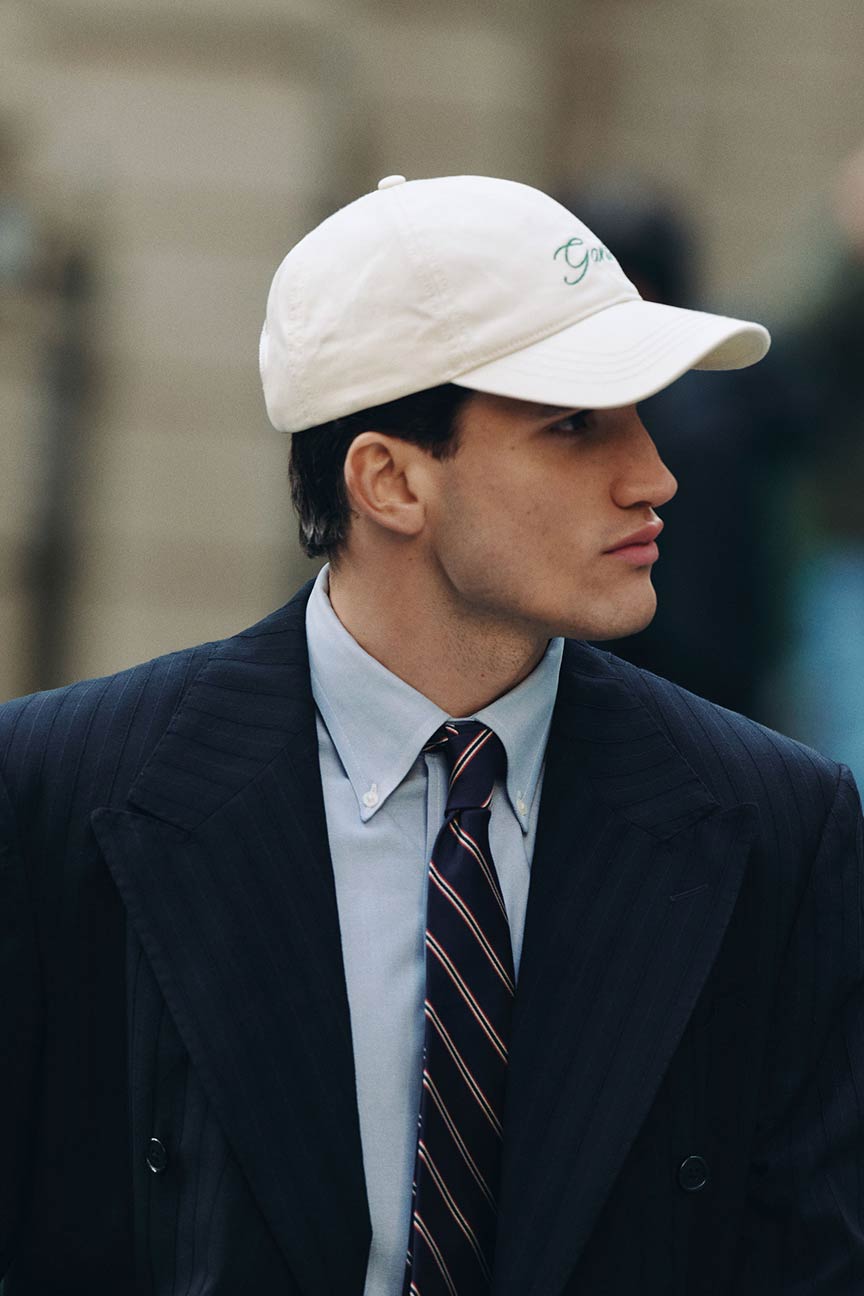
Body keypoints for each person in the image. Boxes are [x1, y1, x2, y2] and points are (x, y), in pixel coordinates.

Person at [1, 174, 862, 1296]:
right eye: (573, 425)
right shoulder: (60, 791)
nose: (654, 473)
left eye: (644, 413)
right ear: (390, 479)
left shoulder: (777, 829)